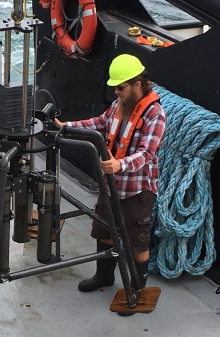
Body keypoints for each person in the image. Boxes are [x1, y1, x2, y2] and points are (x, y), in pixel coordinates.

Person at [55, 54, 166, 297]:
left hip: (136, 190)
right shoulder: (119, 105)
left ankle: (137, 289)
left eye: (120, 87)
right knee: (104, 230)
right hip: (110, 185)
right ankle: (104, 275)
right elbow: (100, 123)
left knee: (136, 242)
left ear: (138, 84)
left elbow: (148, 153)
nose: (116, 92)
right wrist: (67, 127)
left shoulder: (155, 114)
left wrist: (119, 165)